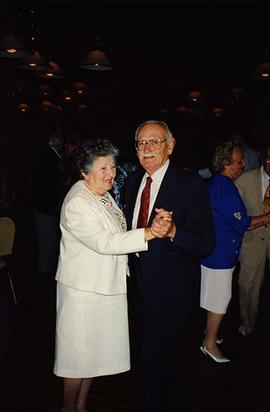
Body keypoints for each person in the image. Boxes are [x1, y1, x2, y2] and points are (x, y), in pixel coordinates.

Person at [53, 138, 172, 412]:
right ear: (84, 171)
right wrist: (149, 233)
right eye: (103, 168)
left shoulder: (101, 194)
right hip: (83, 292)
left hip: (103, 287)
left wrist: (150, 226)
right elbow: (105, 242)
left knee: (92, 357)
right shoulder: (77, 202)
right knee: (76, 360)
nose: (112, 173)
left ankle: (80, 407)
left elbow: (117, 230)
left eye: (113, 166)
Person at [123, 120, 215, 412]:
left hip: (174, 294)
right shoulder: (132, 182)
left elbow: (207, 243)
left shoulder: (191, 185)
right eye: (141, 143)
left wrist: (174, 230)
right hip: (138, 288)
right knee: (145, 361)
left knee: (171, 369)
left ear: (171, 146)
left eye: (155, 142)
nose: (147, 148)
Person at [200, 140, 270, 363]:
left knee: (213, 298)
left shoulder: (217, 182)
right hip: (220, 254)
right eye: (239, 162)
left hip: (214, 251)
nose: (243, 165)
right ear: (226, 163)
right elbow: (244, 223)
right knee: (220, 300)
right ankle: (209, 344)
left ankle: (209, 334)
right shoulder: (225, 187)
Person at [235, 143, 270, 336]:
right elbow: (235, 213)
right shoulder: (244, 180)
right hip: (252, 241)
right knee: (246, 286)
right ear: (261, 159)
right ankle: (247, 324)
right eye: (268, 158)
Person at [32, 133, 65, 275]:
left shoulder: (47, 155)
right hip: (46, 204)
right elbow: (53, 183)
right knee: (47, 237)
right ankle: (46, 269)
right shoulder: (50, 157)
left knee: (47, 236)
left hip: (44, 203)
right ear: (58, 144)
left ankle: (46, 267)